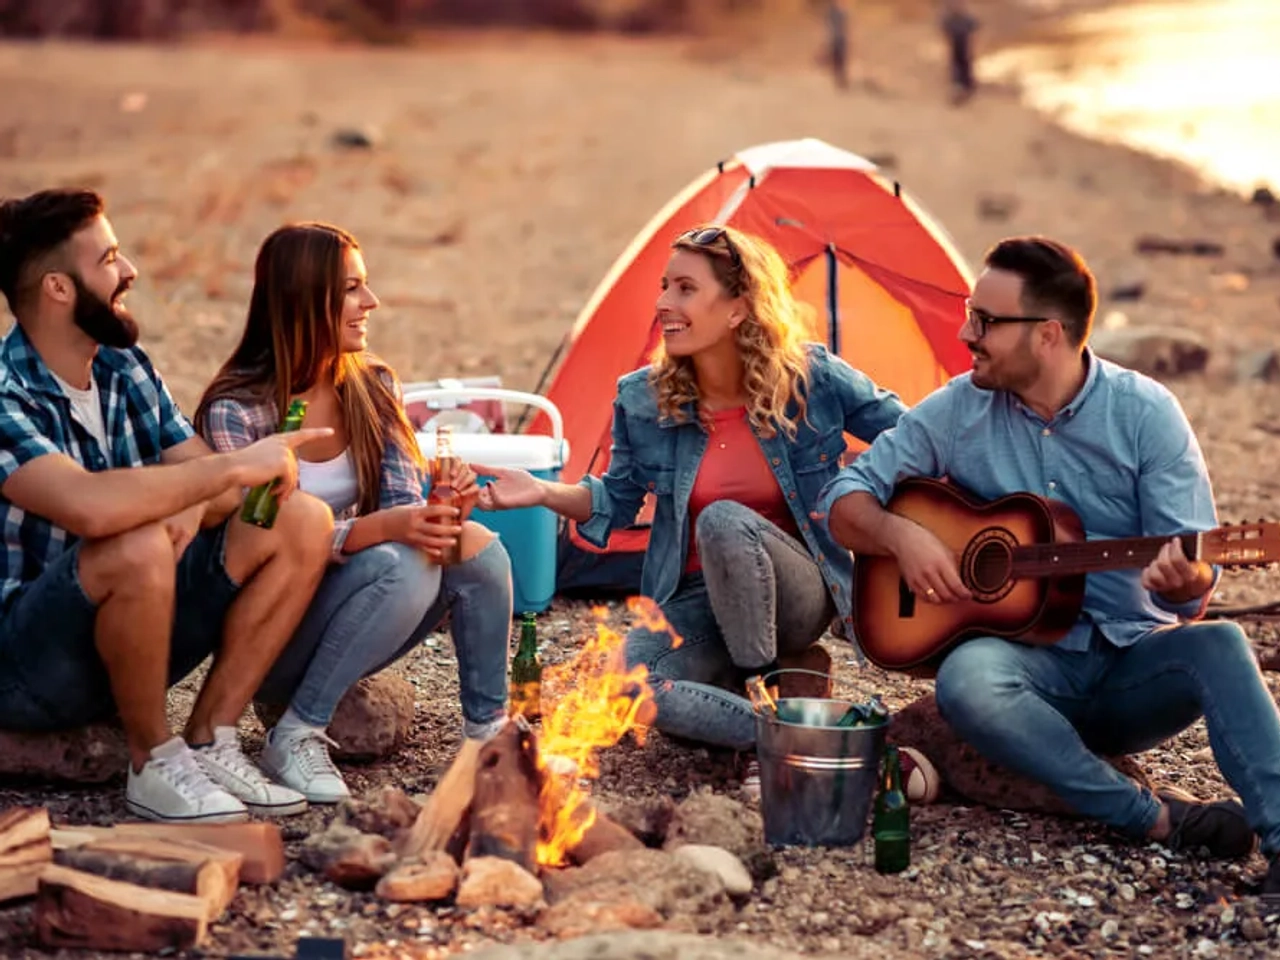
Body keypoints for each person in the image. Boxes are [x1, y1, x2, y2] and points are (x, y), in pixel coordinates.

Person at [817, 235, 1280, 892]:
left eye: (985, 321)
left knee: (1221, 644)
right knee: (967, 679)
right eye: (970, 315)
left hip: (1128, 668)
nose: (966, 333)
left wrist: (1189, 578)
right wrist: (901, 536)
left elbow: (1190, 592)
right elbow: (842, 498)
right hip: (1023, 671)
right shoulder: (959, 408)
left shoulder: (1146, 414)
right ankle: (1150, 817)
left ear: (1048, 335)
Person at [476, 224, 940, 802]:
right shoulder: (642, 398)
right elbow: (618, 501)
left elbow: (915, 437)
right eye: (664, 286)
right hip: (697, 599)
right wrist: (543, 492)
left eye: (686, 289)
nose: (664, 303)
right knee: (627, 686)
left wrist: (880, 515)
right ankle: (811, 739)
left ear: (738, 308)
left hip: (794, 592)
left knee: (722, 520)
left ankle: (759, 692)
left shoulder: (812, 379)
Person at [0, 188, 336, 823]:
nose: (129, 270)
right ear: (58, 288)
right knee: (135, 541)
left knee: (297, 518)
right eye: (108, 259)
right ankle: (151, 761)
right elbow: (89, 508)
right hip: (28, 669)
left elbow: (225, 492)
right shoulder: (6, 394)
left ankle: (209, 738)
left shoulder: (121, 366)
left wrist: (197, 494)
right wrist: (215, 476)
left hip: (135, 633)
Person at [195, 222, 513, 804]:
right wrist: (383, 529)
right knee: (403, 563)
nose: (371, 301)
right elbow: (254, 538)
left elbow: (402, 509)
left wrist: (442, 512)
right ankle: (297, 731)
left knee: (480, 551)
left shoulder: (373, 386)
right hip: (267, 638)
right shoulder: (237, 410)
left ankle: (490, 738)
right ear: (301, 297)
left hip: (360, 614)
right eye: (350, 289)